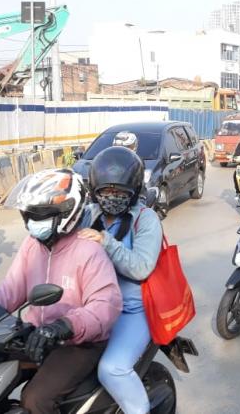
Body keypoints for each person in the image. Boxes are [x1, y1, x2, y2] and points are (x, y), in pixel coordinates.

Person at [0, 169, 123, 414]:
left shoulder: (88, 251)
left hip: (77, 343)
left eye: (41, 214)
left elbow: (105, 304)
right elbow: (11, 289)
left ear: (67, 213)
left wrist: (64, 326)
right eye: (29, 214)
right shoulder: (31, 245)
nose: (32, 221)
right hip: (36, 335)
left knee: (35, 400)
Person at [77, 146, 164, 414]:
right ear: (95, 190)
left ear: (134, 191)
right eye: (106, 191)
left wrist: (106, 242)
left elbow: (140, 268)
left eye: (120, 192)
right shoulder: (88, 215)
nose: (112, 197)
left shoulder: (146, 219)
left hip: (131, 310)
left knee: (111, 369)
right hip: (89, 306)